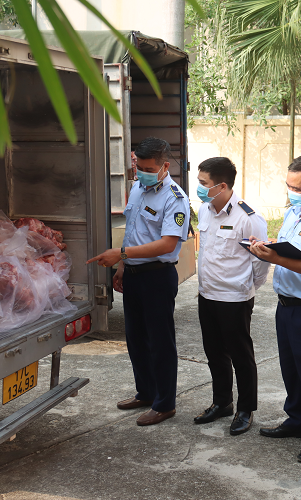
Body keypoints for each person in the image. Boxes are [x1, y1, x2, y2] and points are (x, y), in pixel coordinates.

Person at [87, 137, 190, 427]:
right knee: (135, 339)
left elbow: (167, 244)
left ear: (164, 166)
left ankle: (164, 403)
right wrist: (122, 266)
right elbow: (133, 231)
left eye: (147, 168)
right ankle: (145, 392)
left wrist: (120, 253)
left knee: (160, 342)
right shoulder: (137, 188)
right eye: (138, 167)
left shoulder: (175, 198)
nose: (141, 172)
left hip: (157, 277)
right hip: (133, 274)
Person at [248, 154, 301, 464]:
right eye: (288, 185)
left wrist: (275, 259)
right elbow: (290, 249)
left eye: (298, 188)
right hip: (285, 306)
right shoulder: (294, 213)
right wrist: (268, 247)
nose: (292, 192)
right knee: (292, 370)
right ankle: (297, 420)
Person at [194, 157, 270, 435]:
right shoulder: (204, 210)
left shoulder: (248, 218)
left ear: (222, 185)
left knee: (241, 356)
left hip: (234, 299)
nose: (199, 188)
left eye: (204, 184)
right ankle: (222, 402)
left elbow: (261, 262)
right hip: (207, 295)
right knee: (214, 353)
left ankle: (245, 409)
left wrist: (247, 288)